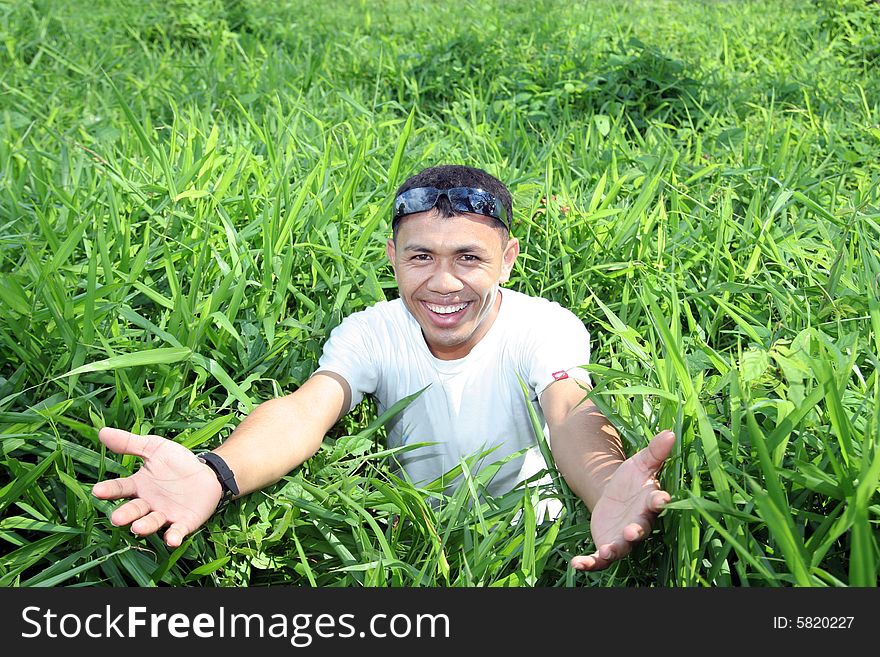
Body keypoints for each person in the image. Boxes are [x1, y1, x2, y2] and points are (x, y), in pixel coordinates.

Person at [93, 164, 675, 573]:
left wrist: (605, 486)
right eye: (421, 256)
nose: (443, 283)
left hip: (536, 544)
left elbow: (569, 410)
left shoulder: (546, 327)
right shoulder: (371, 330)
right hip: (413, 546)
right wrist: (216, 473)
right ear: (393, 256)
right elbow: (304, 412)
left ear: (508, 259)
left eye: (469, 258)